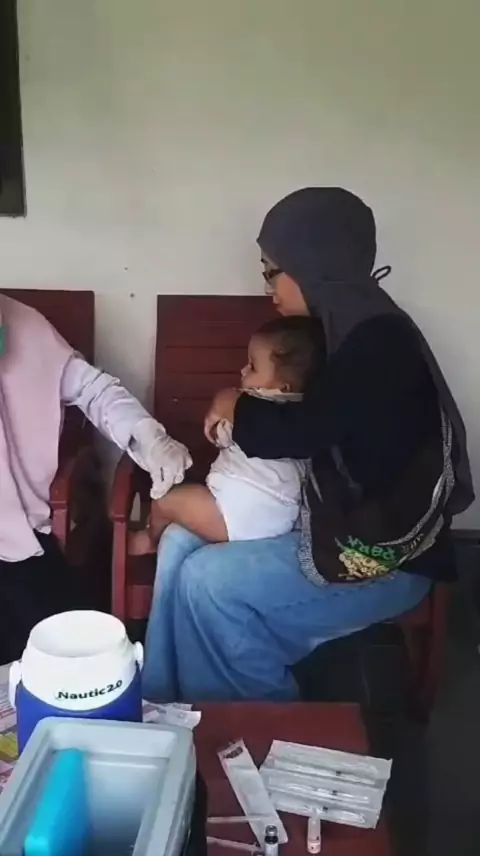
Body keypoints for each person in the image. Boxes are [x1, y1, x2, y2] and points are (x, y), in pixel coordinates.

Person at [142, 187, 474, 702]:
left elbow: (298, 432)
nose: (268, 287)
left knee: (210, 581)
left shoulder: (376, 342)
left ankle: (255, 726)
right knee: (180, 543)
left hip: (384, 554)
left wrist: (234, 402)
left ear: (313, 264)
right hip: (327, 524)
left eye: (272, 270)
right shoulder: (342, 328)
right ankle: (164, 701)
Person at [0, 292, 190, 663]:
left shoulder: (22, 324)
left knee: (65, 653)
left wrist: (147, 436)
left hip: (17, 536)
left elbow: (94, 390)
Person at [129, 316, 323, 553]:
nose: (243, 370)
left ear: (282, 387)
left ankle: (148, 541)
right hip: (278, 518)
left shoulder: (253, 407)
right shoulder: (304, 417)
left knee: (164, 503)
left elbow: (220, 437)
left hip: (236, 515)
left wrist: (221, 414)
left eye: (253, 366)